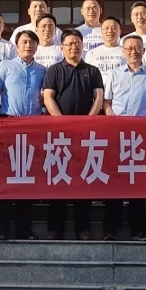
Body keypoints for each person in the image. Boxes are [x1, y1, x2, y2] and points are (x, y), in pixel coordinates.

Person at [42, 30, 104, 240]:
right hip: (60, 134)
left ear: (82, 46)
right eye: (69, 44)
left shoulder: (92, 70)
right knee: (58, 179)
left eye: (77, 43)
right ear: (62, 47)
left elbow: (98, 98)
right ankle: (55, 228)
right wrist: (62, 123)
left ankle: (83, 228)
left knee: (83, 180)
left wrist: (87, 122)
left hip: (85, 134)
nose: (73, 47)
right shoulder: (54, 70)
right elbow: (48, 97)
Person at [102, 34, 146, 241]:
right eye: (129, 48)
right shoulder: (114, 74)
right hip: (117, 136)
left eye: (137, 48)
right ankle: (111, 229)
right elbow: (106, 102)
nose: (133, 52)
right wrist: (112, 117)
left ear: (144, 50)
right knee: (115, 183)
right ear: (123, 51)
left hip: (140, 138)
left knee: (138, 184)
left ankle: (139, 229)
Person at [0, 29, 47, 240]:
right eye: (24, 42)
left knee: (27, 178)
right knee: (5, 177)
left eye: (32, 42)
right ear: (16, 46)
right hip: (8, 123)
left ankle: (24, 229)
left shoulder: (43, 70)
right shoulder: (5, 66)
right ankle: (3, 228)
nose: (28, 45)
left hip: (33, 126)